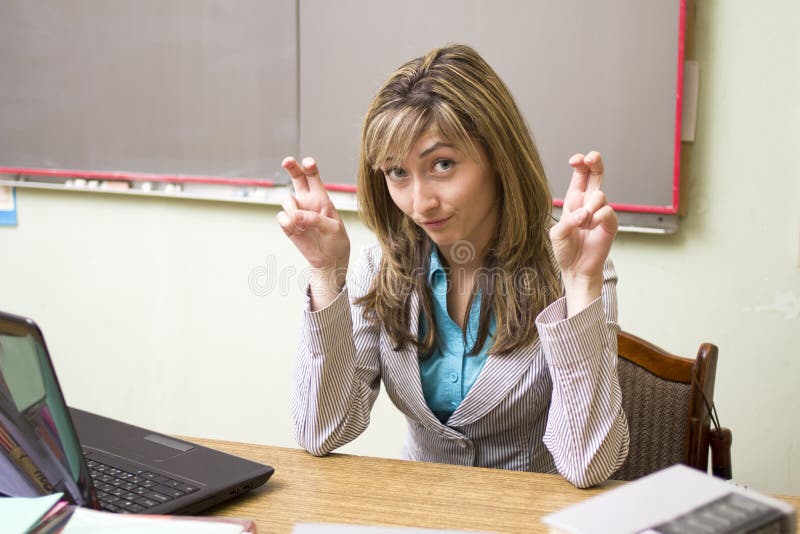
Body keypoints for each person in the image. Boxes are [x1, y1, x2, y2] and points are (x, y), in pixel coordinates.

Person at [277, 44, 628, 488]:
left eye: (442, 164)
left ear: (499, 157)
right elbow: (320, 433)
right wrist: (326, 274)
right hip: (422, 512)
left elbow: (588, 464)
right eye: (397, 173)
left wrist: (580, 285)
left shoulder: (576, 266)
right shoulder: (380, 267)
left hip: (530, 518)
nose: (419, 203)